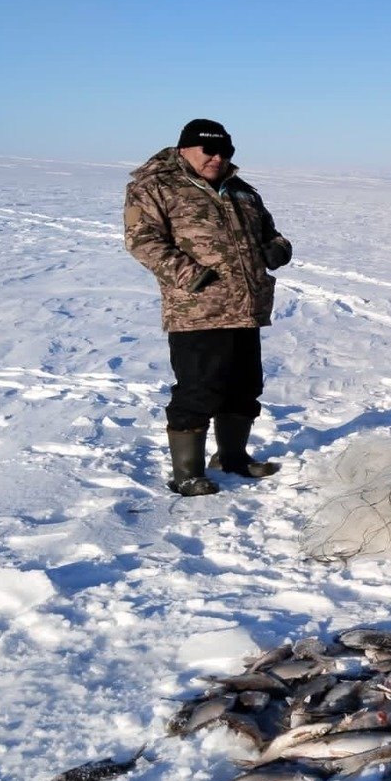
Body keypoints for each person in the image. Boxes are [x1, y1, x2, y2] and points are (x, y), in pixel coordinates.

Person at [123, 119, 292, 497]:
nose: (218, 158)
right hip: (197, 311)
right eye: (209, 151)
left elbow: (271, 232)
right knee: (199, 391)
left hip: (247, 307)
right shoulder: (155, 187)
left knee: (245, 387)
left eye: (225, 152)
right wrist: (190, 275)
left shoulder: (242, 191)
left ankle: (232, 458)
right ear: (185, 148)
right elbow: (141, 240)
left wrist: (278, 249)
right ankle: (187, 473)